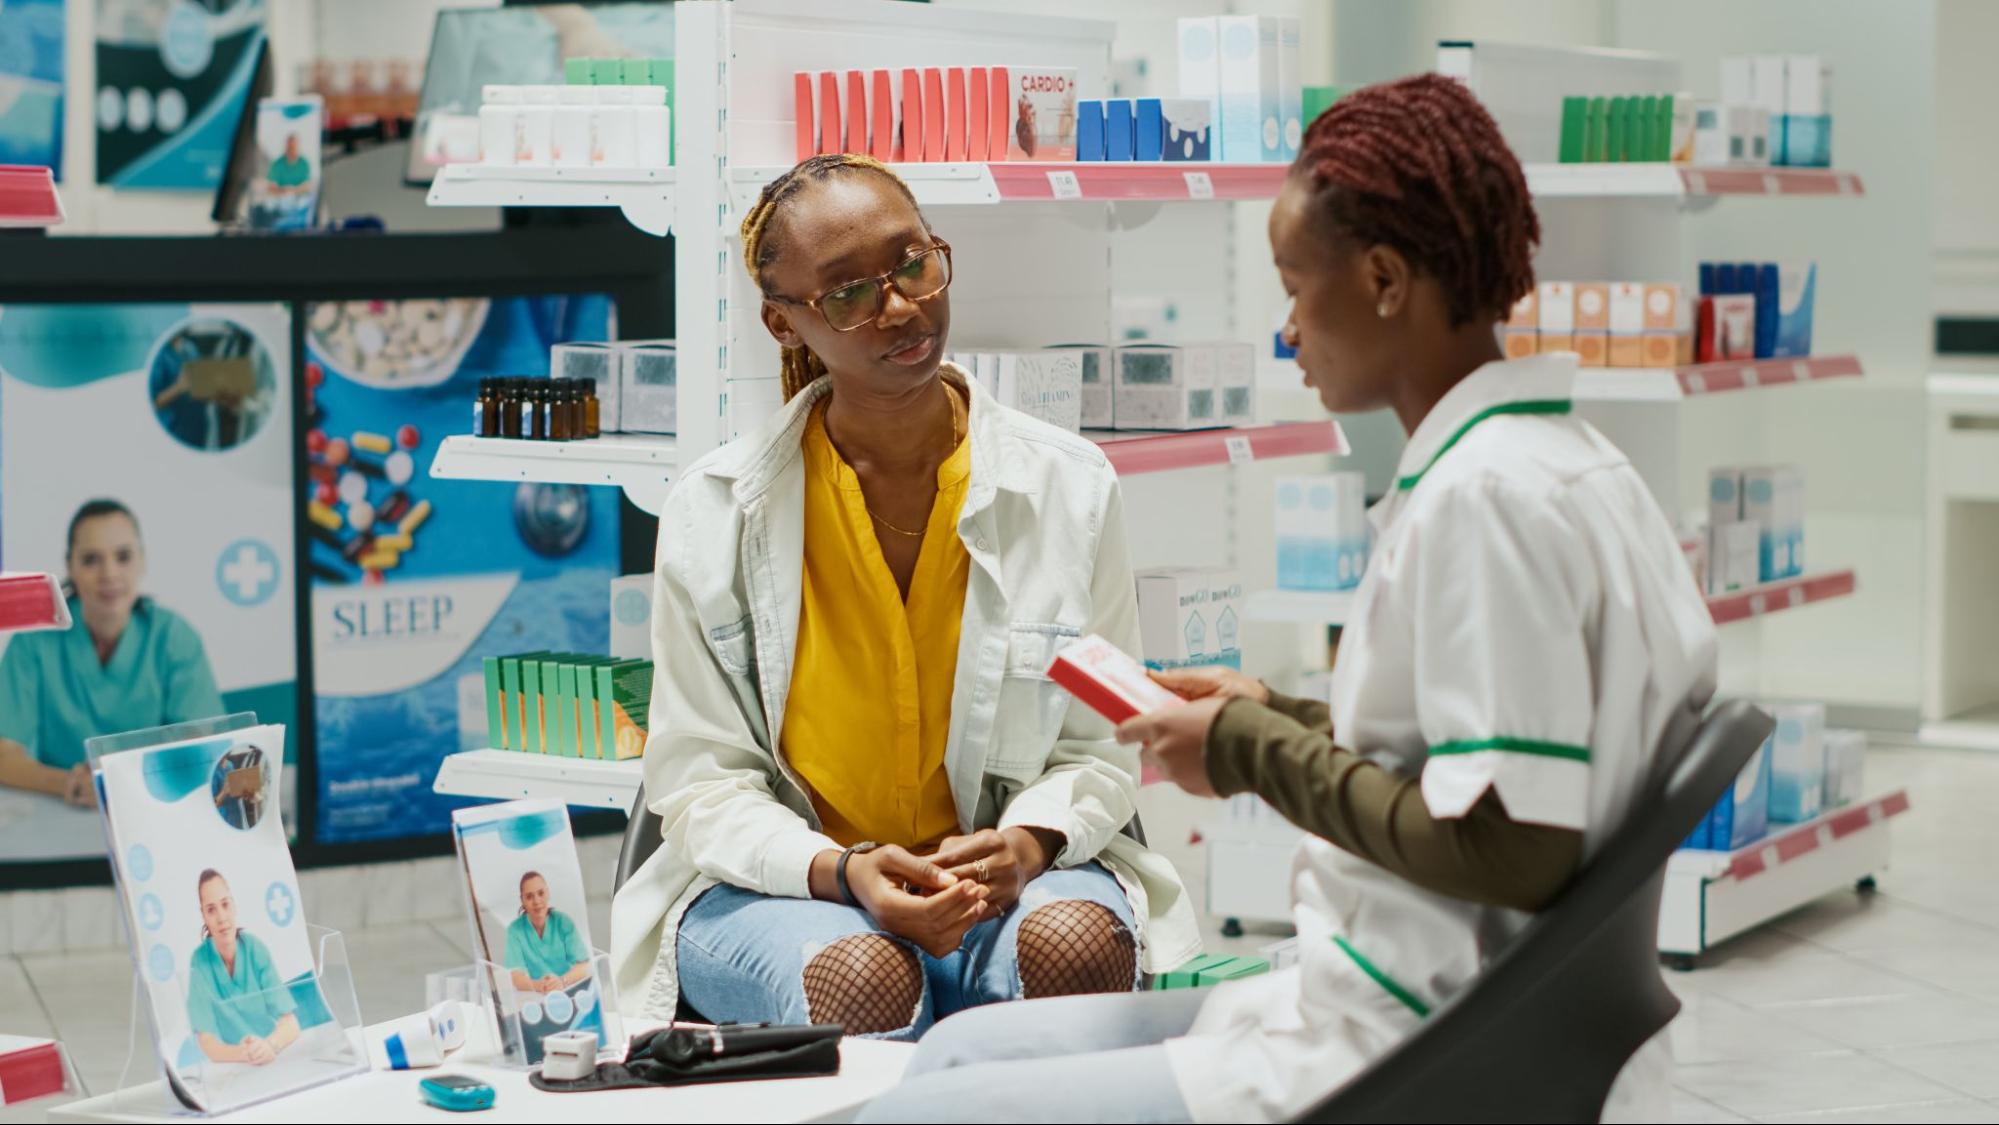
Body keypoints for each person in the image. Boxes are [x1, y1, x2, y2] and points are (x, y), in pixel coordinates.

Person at [857, 74, 1718, 1124]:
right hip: (1409, 996)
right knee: (951, 1055)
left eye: (1295, 286)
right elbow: (1484, 763)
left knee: (917, 1114)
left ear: (1386, 280)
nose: (1286, 331)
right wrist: (1269, 716)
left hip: (1414, 1040)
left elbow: (1513, 848)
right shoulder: (1568, 463)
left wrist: (1245, 751)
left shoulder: (1484, 502)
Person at [609, 153, 1199, 1040]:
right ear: (784, 323)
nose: (898, 306)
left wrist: (1028, 843)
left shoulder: (1069, 486)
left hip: (1005, 878)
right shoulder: (716, 508)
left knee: (1074, 943)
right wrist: (842, 873)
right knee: (864, 975)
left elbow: (1100, 745)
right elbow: (699, 785)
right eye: (845, 292)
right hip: (792, 889)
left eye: (912, 262)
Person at [0, 500, 224, 808]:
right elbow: (3, 754)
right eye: (91, 559)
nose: (109, 573)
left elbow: (205, 746)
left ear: (142, 561)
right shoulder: (33, 643)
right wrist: (69, 784)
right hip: (62, 809)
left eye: (123, 556)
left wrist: (124, 785)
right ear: (70, 566)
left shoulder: (173, 638)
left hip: (157, 809)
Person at [187, 869, 300, 1066]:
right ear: (203, 915)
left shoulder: (254, 949)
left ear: (234, 905)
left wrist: (269, 1046)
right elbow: (206, 1041)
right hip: (232, 1066)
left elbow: (291, 1024)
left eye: (225, 904)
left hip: (273, 1057)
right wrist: (243, 1054)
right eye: (211, 909)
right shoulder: (199, 962)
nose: (222, 917)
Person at [504, 871, 591, 995]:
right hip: (537, 995)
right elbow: (515, 977)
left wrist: (562, 981)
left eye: (541, 893)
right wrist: (538, 985)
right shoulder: (515, 931)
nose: (536, 901)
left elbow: (583, 966)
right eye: (529, 896)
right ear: (522, 900)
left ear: (548, 893)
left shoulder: (563, 922)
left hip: (571, 990)